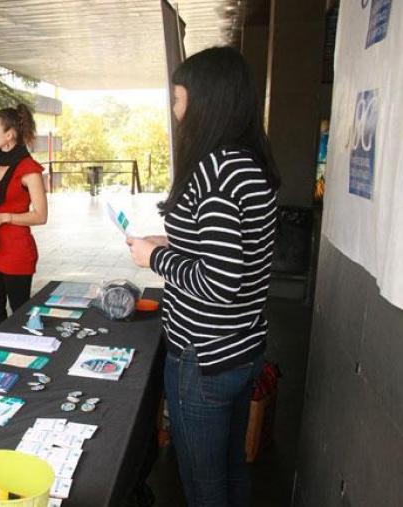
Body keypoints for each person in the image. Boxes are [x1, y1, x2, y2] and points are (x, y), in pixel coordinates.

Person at [126, 46, 280, 507]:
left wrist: (154, 259)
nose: (175, 112)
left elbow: (220, 281)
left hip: (205, 356)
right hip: (242, 347)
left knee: (202, 483)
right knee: (231, 470)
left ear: (205, 101)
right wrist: (174, 241)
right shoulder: (249, 165)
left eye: (177, 99)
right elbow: (234, 249)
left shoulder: (214, 170)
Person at [0, 104, 48, 330]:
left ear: (9, 135)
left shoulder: (29, 168)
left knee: (20, 312)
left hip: (16, 250)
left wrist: (3, 218)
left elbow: (41, 216)